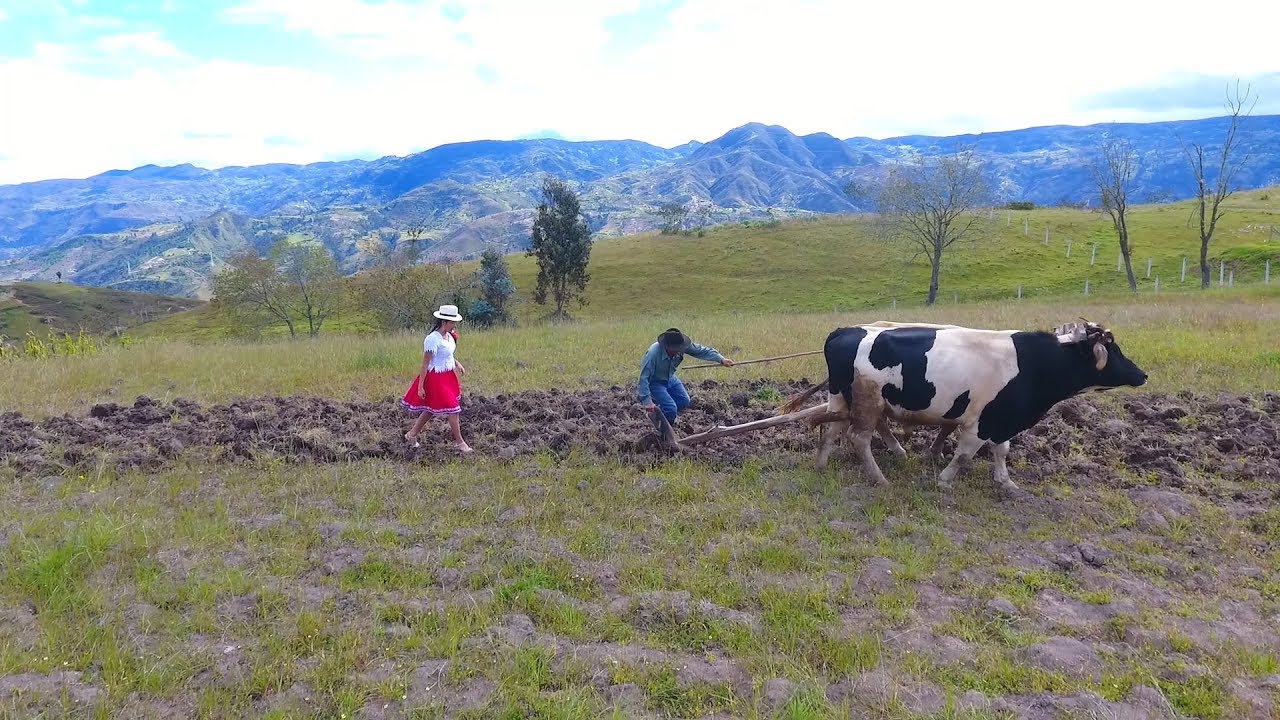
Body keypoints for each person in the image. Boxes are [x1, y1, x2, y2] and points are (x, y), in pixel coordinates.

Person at [401, 304, 473, 454]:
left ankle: (411, 434)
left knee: (430, 409)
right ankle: (460, 442)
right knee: (453, 409)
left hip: (448, 376)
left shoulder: (449, 336)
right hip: (435, 378)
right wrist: (421, 386)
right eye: (452, 322)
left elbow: (447, 355)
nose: (454, 325)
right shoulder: (432, 339)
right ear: (444, 322)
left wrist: (457, 363)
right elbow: (425, 362)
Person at [637, 328, 735, 434]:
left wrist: (721, 359)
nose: (678, 351)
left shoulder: (682, 346)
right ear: (667, 346)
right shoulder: (653, 354)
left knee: (684, 400)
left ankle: (658, 415)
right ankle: (665, 432)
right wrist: (647, 401)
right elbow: (644, 378)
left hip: (670, 378)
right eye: (675, 349)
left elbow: (702, 351)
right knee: (671, 409)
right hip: (655, 382)